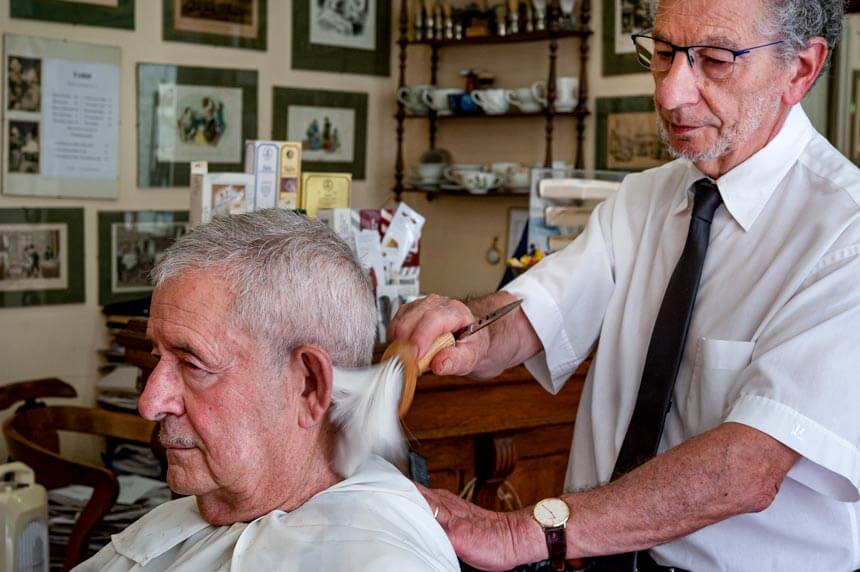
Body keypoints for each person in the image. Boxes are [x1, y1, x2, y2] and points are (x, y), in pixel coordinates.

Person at [390, 0, 860, 569]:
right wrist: (470, 329)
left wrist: (526, 531)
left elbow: (746, 469)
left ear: (801, 69)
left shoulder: (845, 234)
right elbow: (536, 312)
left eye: (714, 60)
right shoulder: (645, 199)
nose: (669, 93)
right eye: (663, 53)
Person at [75, 210, 458, 571]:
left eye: (193, 365)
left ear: (308, 385)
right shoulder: (201, 509)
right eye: (158, 357)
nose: (150, 403)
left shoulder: (379, 558)